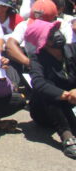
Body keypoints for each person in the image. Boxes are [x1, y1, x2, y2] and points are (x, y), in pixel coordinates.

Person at [26, 20, 76, 159]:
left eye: (55, 30)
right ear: (41, 42)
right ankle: (66, 136)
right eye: (50, 35)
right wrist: (66, 95)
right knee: (47, 90)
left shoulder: (73, 49)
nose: (57, 35)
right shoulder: (37, 59)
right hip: (46, 111)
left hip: (71, 104)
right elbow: (39, 83)